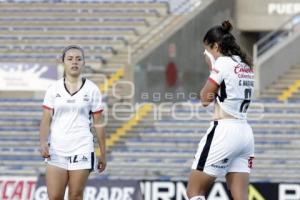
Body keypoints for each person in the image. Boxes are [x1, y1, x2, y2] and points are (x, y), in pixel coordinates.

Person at [186, 21, 255, 200]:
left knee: (194, 192)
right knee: (241, 197)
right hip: (245, 134)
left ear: (215, 46)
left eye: (207, 50)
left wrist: (211, 67)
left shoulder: (222, 63)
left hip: (225, 131)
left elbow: (204, 99)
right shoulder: (245, 65)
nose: (206, 54)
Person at [39, 45, 106, 200]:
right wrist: (43, 142)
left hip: (82, 148)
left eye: (78, 59)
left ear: (83, 63)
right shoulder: (53, 89)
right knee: (55, 196)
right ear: (63, 62)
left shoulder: (92, 89)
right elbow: (45, 119)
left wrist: (103, 153)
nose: (74, 62)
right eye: (70, 59)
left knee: (75, 195)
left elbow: (99, 123)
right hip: (57, 149)